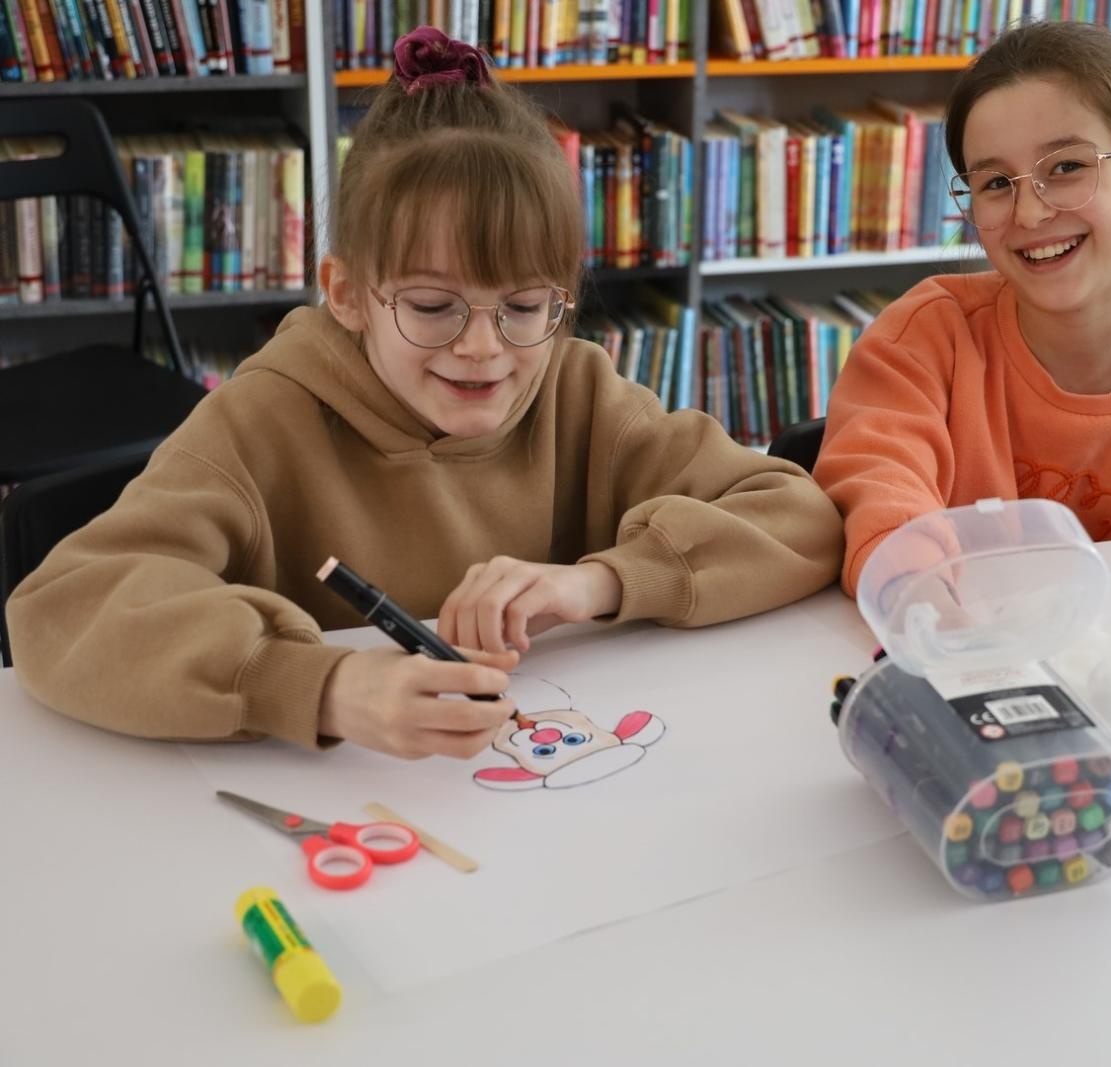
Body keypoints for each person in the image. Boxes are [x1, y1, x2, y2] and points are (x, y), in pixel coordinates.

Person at [6, 27, 843, 761]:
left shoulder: (576, 385)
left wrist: (598, 583)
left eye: (523, 306)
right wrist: (323, 685)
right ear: (347, 293)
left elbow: (796, 513)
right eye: (434, 306)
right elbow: (60, 610)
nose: (483, 349)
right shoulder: (265, 418)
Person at [813, 20, 1111, 597]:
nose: (1029, 215)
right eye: (994, 183)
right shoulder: (925, 336)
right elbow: (878, 481)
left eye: (1065, 168)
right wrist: (917, 585)